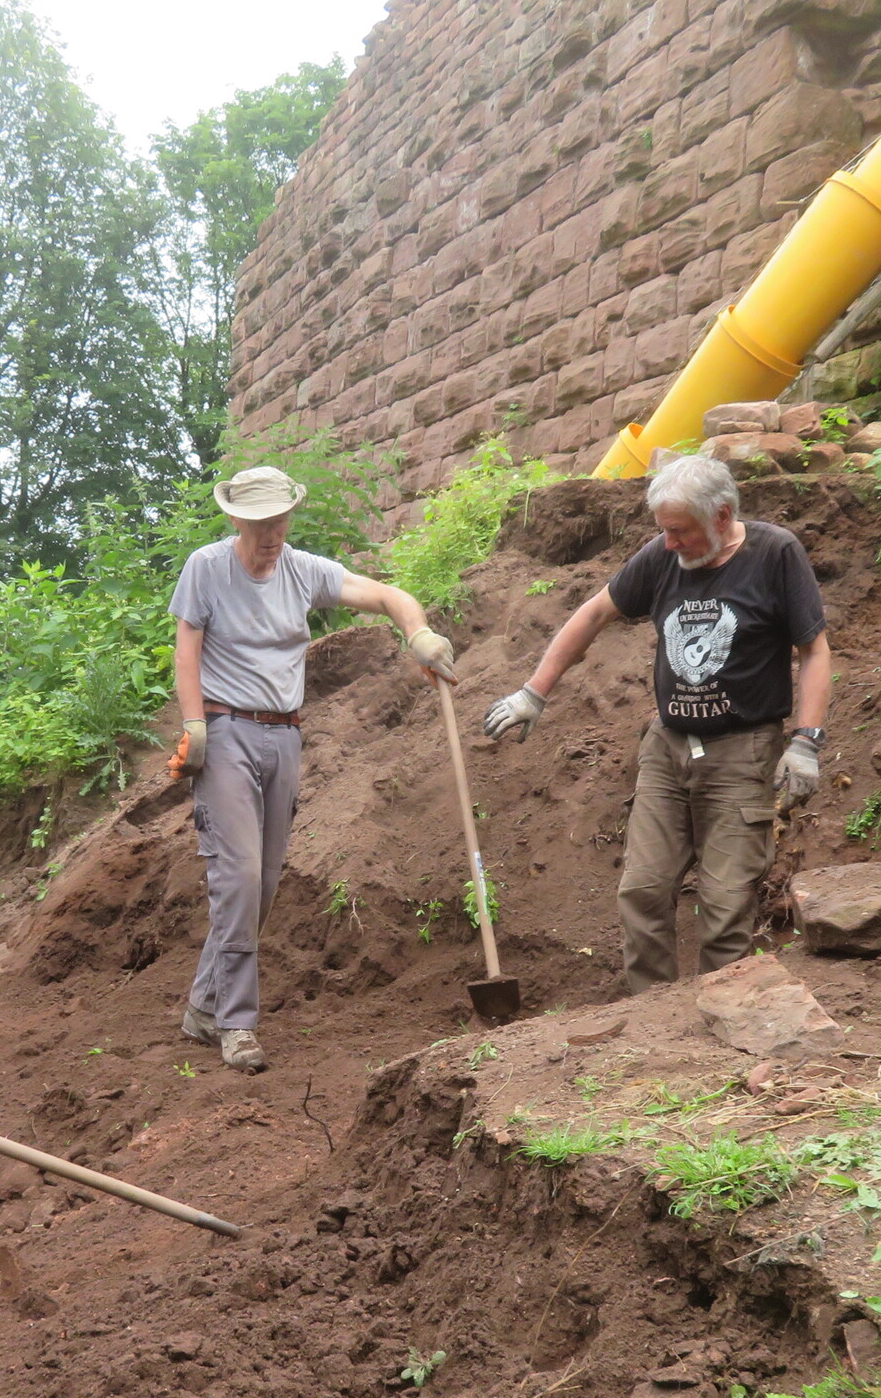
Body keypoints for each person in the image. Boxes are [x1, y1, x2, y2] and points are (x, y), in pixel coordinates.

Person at [483, 454, 832, 994]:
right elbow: (594, 613)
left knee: (725, 904)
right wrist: (534, 692)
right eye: (664, 531)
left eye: (680, 531)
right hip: (668, 750)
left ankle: (726, 1010)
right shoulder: (663, 557)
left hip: (742, 753)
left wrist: (806, 741)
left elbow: (814, 650)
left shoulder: (774, 553)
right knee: (643, 890)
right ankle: (651, 1017)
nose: (669, 543)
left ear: (721, 516)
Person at [171, 464, 457, 1072]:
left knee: (264, 882)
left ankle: (203, 1006)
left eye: (281, 521)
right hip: (225, 731)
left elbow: (386, 596)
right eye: (261, 525)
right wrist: (194, 724)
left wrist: (419, 635)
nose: (273, 534)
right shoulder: (206, 568)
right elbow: (186, 649)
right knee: (239, 876)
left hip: (285, 736)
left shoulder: (302, 569)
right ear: (236, 520)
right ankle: (237, 1024)